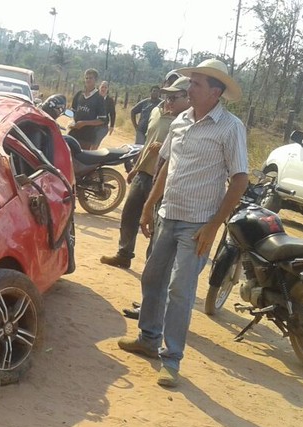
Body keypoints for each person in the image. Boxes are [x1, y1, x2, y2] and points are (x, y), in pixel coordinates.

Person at [118, 58, 248, 388]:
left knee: (180, 289)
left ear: (216, 92)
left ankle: (171, 358)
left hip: (198, 224)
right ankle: (148, 338)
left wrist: (214, 225)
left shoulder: (230, 128)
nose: (189, 88)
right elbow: (166, 168)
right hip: (167, 215)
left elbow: (240, 180)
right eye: (191, 82)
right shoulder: (180, 121)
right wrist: (149, 206)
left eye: (197, 83)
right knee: (152, 277)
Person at [99, 76, 191, 270]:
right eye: (167, 95)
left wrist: (167, 148)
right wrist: (135, 168)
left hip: (164, 181)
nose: (169, 101)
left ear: (188, 97)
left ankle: (152, 270)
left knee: (156, 227)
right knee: (129, 215)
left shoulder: (189, 122)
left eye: (174, 97)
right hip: (143, 173)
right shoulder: (156, 111)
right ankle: (124, 254)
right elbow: (148, 144)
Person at [69, 69, 107, 150]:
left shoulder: (99, 98)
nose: (88, 80)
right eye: (86, 78)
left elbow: (102, 120)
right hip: (74, 133)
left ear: (95, 80)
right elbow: (73, 111)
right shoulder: (79, 94)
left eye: (90, 78)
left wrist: (84, 123)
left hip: (87, 136)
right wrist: (72, 122)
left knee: (80, 159)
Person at [96, 81, 117, 146]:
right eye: (102, 87)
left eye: (105, 87)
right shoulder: (94, 97)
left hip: (103, 125)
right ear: (99, 87)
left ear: (107, 89)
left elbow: (112, 113)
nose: (103, 89)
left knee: (96, 143)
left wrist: (112, 126)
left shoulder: (110, 100)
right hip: (91, 123)